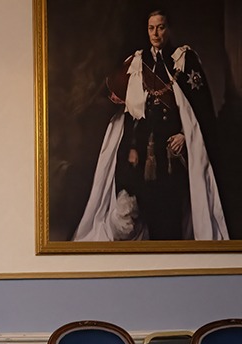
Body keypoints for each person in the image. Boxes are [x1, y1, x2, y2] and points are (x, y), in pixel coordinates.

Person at [74, 8, 228, 241]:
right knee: (143, 212)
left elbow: (201, 112)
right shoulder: (137, 62)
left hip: (172, 155)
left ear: (169, 28)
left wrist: (185, 136)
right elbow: (123, 107)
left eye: (161, 27)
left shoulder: (184, 60)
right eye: (151, 28)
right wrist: (133, 146)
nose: (156, 33)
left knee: (170, 215)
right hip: (144, 155)